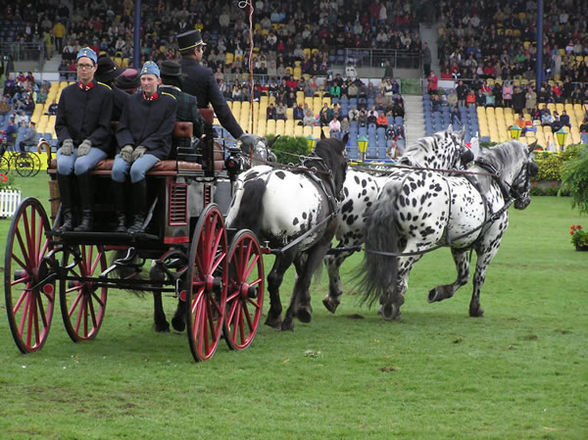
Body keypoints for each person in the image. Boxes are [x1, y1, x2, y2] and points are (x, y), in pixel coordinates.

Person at [112, 61, 177, 233]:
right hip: (129, 148)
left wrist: (145, 147)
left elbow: (164, 132)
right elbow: (123, 127)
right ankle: (121, 218)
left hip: (155, 149)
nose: (146, 83)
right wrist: (126, 145)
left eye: (149, 79)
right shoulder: (131, 101)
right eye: (143, 79)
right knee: (117, 169)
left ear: (159, 81)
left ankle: (138, 219)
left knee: (136, 170)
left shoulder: (169, 103)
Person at [55, 47, 113, 232]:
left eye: (88, 66)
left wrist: (90, 141)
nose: (84, 70)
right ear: (76, 68)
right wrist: (66, 140)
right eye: (81, 66)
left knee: (81, 165)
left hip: (96, 145)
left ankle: (87, 217)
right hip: (71, 145)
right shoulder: (67, 93)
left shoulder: (105, 93)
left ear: (95, 68)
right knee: (63, 165)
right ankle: (69, 216)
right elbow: (60, 124)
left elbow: (105, 127)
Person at [177, 30, 244, 141]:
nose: (203, 52)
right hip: (199, 133)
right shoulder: (205, 73)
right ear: (196, 50)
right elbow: (221, 108)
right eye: (202, 49)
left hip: (171, 132)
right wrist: (240, 135)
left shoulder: (169, 72)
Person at [159, 60, 204, 157]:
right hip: (181, 154)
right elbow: (199, 129)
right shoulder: (189, 100)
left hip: (153, 152)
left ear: (160, 78)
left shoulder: (149, 98)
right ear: (179, 80)